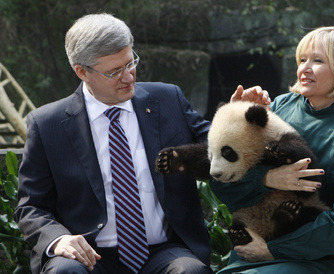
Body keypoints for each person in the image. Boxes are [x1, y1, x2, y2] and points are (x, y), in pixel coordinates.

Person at [13, 13, 268, 274]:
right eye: (114, 71)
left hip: (164, 250)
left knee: (190, 272)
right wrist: (59, 239)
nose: (128, 77)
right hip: (87, 253)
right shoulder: (47, 124)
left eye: (130, 63)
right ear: (82, 72)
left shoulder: (168, 99)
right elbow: (31, 206)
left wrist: (237, 120)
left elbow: (215, 149)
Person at [218, 26, 334, 273]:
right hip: (261, 243)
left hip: (333, 257)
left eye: (318, 60)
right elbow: (222, 182)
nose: (304, 68)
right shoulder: (278, 108)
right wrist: (236, 121)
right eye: (302, 60)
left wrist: (274, 251)